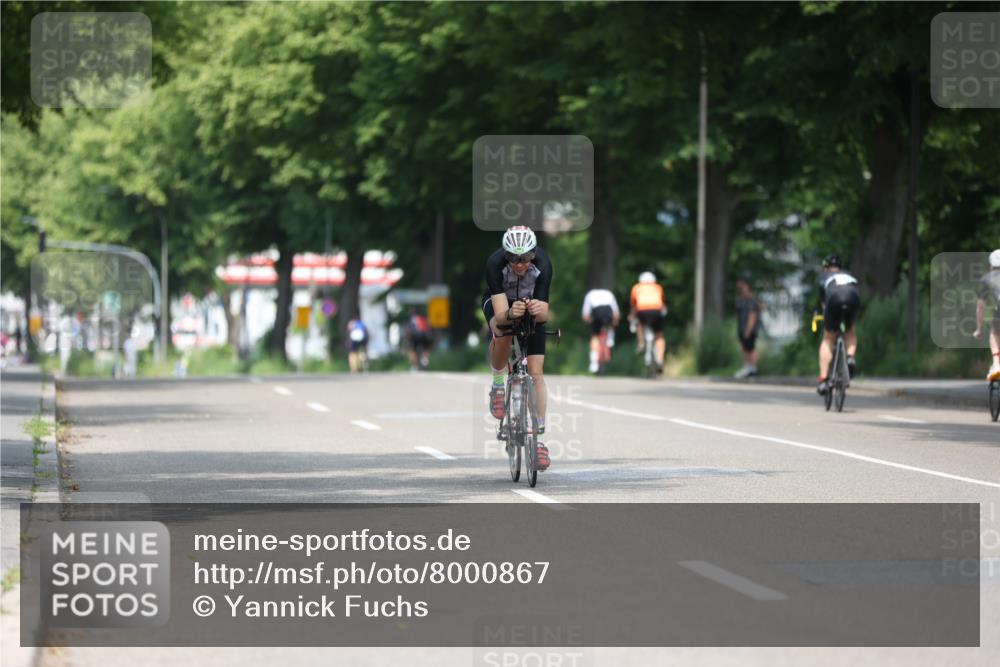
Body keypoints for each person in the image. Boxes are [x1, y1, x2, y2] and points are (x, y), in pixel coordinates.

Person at [483, 225, 552, 471]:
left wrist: (536, 310)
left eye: (525, 258)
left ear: (534, 253)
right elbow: (501, 315)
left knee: (536, 372)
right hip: (501, 304)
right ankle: (499, 383)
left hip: (529, 304)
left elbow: (545, 313)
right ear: (505, 254)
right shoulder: (494, 263)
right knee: (502, 331)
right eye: (513, 258)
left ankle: (539, 440)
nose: (520, 264)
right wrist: (511, 313)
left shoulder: (544, 263)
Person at [816, 254, 861, 395]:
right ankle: (850, 357)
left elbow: (823, 304)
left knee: (829, 338)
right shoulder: (849, 275)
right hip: (852, 297)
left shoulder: (823, 277)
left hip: (834, 298)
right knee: (850, 332)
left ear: (825, 267)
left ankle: (823, 380)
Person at [628, 271, 667, 373]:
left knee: (639, 324)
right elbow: (662, 302)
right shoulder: (657, 287)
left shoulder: (636, 287)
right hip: (656, 310)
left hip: (642, 310)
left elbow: (633, 305)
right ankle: (661, 359)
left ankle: (641, 342)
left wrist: (631, 316)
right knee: (659, 335)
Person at [973, 248, 1000, 381]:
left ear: (991, 265)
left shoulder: (987, 279)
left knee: (994, 333)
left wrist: (978, 329)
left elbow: (980, 306)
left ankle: (996, 365)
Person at [581, 287, 620, 373]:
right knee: (610, 326)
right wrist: (615, 321)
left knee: (595, 336)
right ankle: (610, 340)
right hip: (608, 310)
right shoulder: (609, 294)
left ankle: (593, 362)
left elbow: (585, 314)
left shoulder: (590, 294)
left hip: (597, 312)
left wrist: (588, 321)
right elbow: (616, 312)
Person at [734, 277, 762, 378]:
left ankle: (753, 369)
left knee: (751, 348)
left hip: (749, 329)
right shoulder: (740, 300)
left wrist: (748, 329)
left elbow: (753, 315)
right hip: (741, 328)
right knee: (745, 348)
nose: (740, 288)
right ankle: (747, 368)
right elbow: (737, 315)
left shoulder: (752, 300)